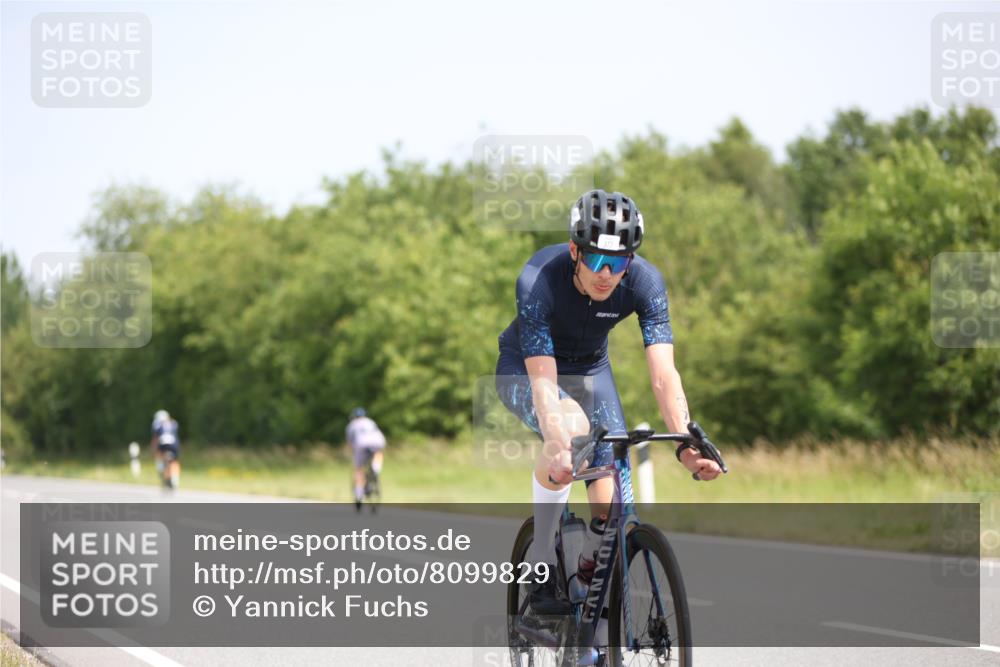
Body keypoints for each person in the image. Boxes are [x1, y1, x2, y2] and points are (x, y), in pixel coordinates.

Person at [495, 189, 722, 617]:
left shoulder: (646, 283)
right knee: (570, 432)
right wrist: (559, 443)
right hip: (526, 369)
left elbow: (663, 375)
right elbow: (544, 384)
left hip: (592, 371)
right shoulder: (538, 278)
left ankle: (586, 590)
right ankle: (541, 561)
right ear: (574, 250)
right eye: (597, 260)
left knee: (612, 506)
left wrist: (686, 444)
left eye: (617, 264)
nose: (606, 274)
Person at [345, 407, 386, 511]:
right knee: (378, 453)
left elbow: (350, 444)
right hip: (377, 442)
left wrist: (353, 455)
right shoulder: (370, 422)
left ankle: (359, 495)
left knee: (359, 470)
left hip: (361, 444)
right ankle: (376, 469)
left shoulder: (352, 425)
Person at [150, 409, 181, 489]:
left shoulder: (157, 424)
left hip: (163, 445)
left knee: (160, 457)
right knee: (174, 461)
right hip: (174, 445)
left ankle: (161, 469)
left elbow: (156, 438)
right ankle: (175, 478)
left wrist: (154, 449)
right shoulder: (173, 422)